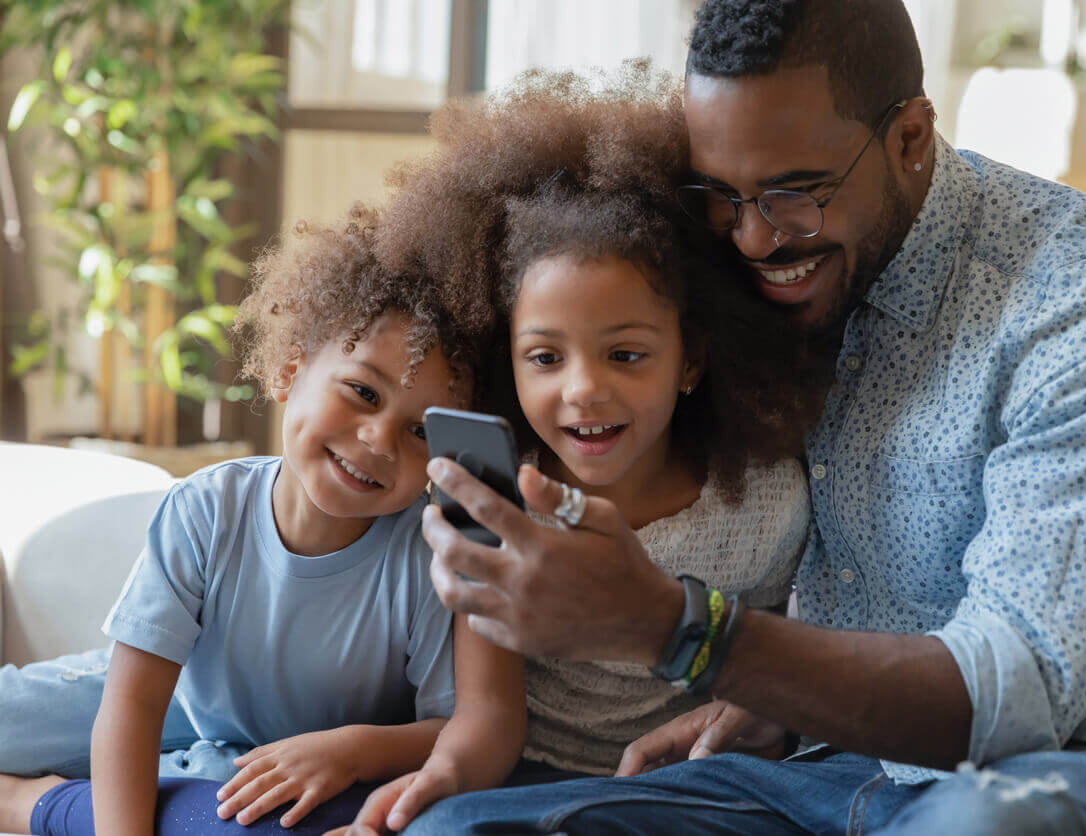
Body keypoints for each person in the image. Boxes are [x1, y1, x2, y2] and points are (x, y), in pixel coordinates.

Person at [393, 1, 1086, 834]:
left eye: (793, 191)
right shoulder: (767, 269)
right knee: (462, 831)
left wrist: (676, 628)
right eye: (722, 195)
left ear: (910, 137)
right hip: (831, 764)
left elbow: (1014, 699)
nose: (754, 240)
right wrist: (777, 704)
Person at [335, 67, 825, 834]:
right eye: (545, 357)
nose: (583, 391)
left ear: (691, 360)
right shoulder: (498, 494)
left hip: (695, 790)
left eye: (626, 356)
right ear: (508, 359)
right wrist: (433, 784)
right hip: (520, 775)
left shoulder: (764, 503)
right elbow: (487, 716)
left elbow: (774, 663)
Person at [0, 206, 526, 835]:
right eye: (363, 392)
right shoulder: (205, 510)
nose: (381, 440)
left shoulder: (428, 554)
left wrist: (350, 749)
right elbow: (133, 705)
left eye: (419, 430)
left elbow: (452, 728)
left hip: (262, 748)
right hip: (181, 695)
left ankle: (29, 803)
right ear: (288, 371)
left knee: (225, 809)